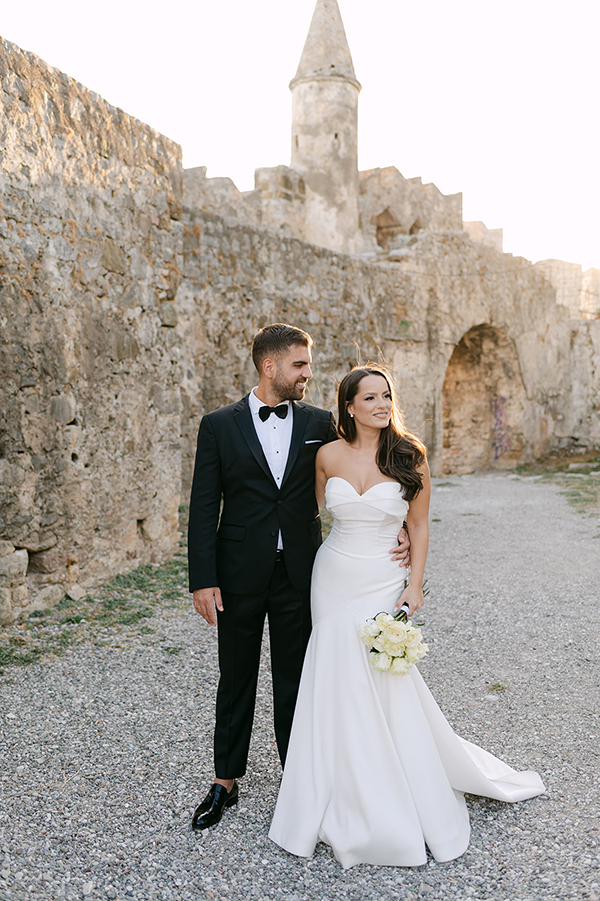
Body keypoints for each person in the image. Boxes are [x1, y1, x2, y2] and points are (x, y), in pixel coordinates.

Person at [269, 364, 545, 868]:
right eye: (368, 397)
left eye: (385, 395)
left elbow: (419, 527)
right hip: (332, 577)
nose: (379, 404)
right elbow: (308, 517)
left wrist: (413, 585)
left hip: (382, 576)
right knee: (336, 674)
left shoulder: (409, 455)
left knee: (382, 675)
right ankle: (337, 781)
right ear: (348, 407)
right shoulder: (326, 455)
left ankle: (397, 781)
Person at [187, 326, 410, 830]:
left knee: (296, 677)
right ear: (270, 367)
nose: (309, 374)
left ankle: (300, 776)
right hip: (238, 573)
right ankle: (225, 781)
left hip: (305, 575)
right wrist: (203, 579)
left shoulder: (320, 422)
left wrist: (400, 530)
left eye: (308, 365)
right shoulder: (218, 425)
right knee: (236, 675)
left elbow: (367, 471)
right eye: (299, 365)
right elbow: (204, 507)